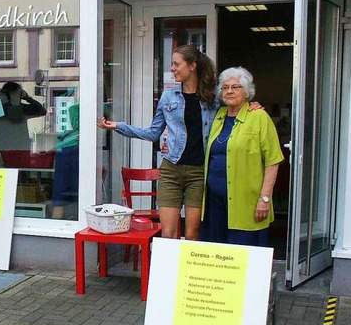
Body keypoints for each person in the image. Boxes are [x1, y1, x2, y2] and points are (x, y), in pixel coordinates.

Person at [97, 45, 219, 240]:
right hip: (171, 169)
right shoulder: (168, 96)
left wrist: (252, 106)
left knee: (192, 233)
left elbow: (235, 105)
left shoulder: (213, 97)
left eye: (176, 64)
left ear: (193, 66)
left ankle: (186, 271)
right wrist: (119, 126)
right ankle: (168, 271)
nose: (172, 68)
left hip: (199, 172)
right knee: (168, 233)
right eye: (172, 64)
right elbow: (153, 133)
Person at [201, 67, 284, 246]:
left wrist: (264, 199)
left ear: (247, 92)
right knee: (218, 254)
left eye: (235, 87)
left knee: (245, 256)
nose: (229, 91)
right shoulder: (219, 115)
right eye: (225, 87)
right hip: (215, 202)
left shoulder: (259, 117)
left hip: (247, 202)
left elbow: (273, 161)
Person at [51, 102, 79, 219]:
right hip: (74, 149)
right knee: (81, 189)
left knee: (60, 190)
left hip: (65, 149)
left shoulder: (74, 107)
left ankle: (56, 220)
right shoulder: (100, 106)